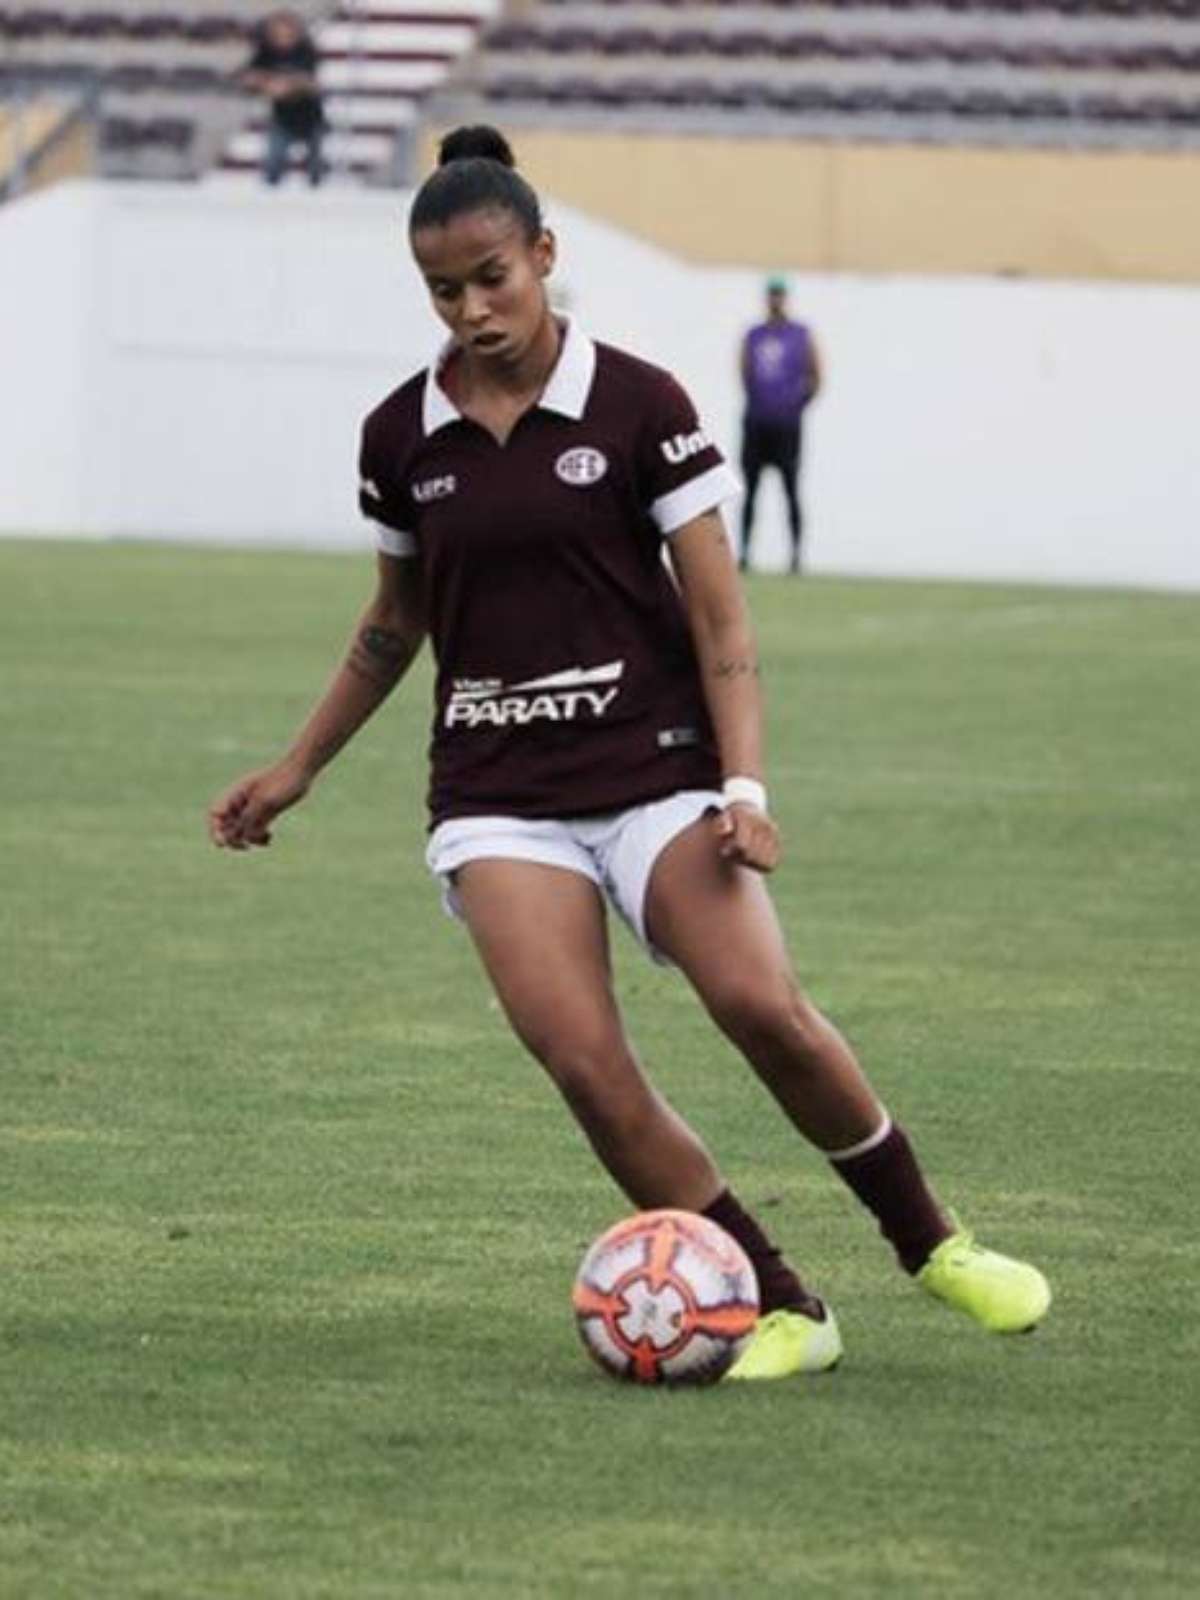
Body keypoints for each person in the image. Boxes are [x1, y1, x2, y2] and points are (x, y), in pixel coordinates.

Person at [208, 126, 1050, 1380]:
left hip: (657, 767)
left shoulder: (641, 401)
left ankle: (931, 1243)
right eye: (446, 289)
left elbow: (721, 618)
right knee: (586, 1067)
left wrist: (746, 785)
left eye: (495, 275)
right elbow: (395, 623)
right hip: (497, 794)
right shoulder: (401, 438)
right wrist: (297, 766)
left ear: (544, 254)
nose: (475, 307)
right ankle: (781, 1307)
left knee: (758, 1004)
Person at [739, 276, 820, 575]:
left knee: (791, 490)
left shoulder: (801, 335)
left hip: (787, 426)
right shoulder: (753, 335)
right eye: (772, 294)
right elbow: (745, 373)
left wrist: (794, 405)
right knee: (750, 490)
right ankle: (745, 552)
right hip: (757, 423)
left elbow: (815, 376)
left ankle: (796, 556)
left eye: (780, 294)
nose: (776, 299)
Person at [239, 9, 326, 188]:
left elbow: (309, 82)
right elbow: (248, 76)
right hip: (282, 118)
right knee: (273, 165)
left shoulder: (305, 51)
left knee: (315, 167)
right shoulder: (266, 51)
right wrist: (268, 83)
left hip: (310, 116)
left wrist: (285, 84)